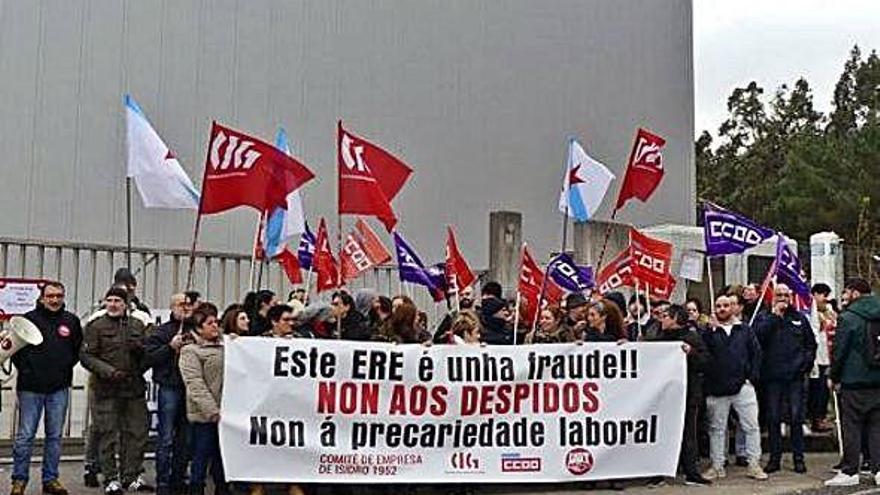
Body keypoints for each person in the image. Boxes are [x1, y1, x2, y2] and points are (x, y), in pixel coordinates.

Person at [9, 281, 83, 495]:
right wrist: (29, 370)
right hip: (30, 388)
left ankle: (50, 479)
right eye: (50, 296)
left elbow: (76, 351)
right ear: (42, 298)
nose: (55, 300)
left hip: (58, 388)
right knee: (25, 436)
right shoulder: (27, 320)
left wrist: (62, 369)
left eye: (59, 295)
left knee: (54, 436)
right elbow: (15, 352)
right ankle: (19, 480)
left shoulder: (71, 321)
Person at [80, 287, 152, 494]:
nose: (113, 304)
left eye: (117, 301)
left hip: (133, 389)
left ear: (126, 304)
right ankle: (111, 478)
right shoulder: (95, 326)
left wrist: (139, 350)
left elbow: (149, 355)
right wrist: (109, 371)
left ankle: (131, 475)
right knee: (107, 434)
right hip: (106, 389)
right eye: (109, 300)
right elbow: (86, 356)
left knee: (136, 434)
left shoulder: (138, 325)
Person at [700, 295, 768, 481]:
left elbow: (756, 354)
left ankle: (754, 463)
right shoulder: (708, 331)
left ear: (734, 307)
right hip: (717, 388)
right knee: (717, 428)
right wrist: (710, 331)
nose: (722, 309)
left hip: (743, 386)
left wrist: (751, 377)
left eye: (726, 305)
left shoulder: (744, 330)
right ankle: (717, 465)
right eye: (719, 306)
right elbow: (703, 354)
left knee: (751, 426)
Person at [754, 283, 817, 474]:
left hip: (795, 378)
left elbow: (810, 345)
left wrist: (804, 366)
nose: (783, 298)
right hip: (773, 378)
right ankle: (775, 458)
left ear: (791, 298)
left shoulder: (799, 318)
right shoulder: (764, 317)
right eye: (779, 295)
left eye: (786, 295)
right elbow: (758, 337)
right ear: (773, 298)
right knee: (773, 418)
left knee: (796, 418)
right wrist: (775, 317)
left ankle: (799, 458)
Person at [824, 278, 880, 487]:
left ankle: (849, 471)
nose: (844, 297)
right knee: (876, 427)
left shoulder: (848, 318)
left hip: (853, 380)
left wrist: (834, 376)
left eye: (847, 292)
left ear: (855, 293)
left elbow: (840, 352)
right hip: (877, 381)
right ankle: (879, 470)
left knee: (852, 427)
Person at [655, 304, 712, 485]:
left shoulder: (692, 338)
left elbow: (706, 361)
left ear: (675, 319)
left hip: (688, 394)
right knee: (661, 433)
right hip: (664, 395)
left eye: (665, 316)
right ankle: (658, 472)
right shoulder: (658, 338)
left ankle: (691, 472)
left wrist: (691, 352)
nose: (661, 319)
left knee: (689, 434)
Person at [144, 293, 194, 495]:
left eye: (189, 305)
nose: (186, 308)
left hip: (190, 388)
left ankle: (179, 477)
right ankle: (163, 480)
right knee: (166, 437)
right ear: (172, 307)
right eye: (181, 304)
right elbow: (149, 357)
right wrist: (169, 347)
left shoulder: (196, 330)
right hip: (170, 387)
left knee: (186, 438)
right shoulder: (161, 331)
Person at [178, 303, 228, 495]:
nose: (215, 326)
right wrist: (212, 410)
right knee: (201, 456)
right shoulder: (190, 351)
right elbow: (195, 384)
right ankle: (196, 489)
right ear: (198, 328)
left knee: (220, 458)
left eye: (216, 322)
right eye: (209, 323)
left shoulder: (226, 345)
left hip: (226, 412)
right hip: (205, 415)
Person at [808, 283, 836, 433]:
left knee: (824, 390)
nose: (825, 299)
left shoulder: (829, 312)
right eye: (823, 295)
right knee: (816, 391)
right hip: (816, 358)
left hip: (827, 356)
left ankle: (823, 417)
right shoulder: (810, 313)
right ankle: (815, 419)